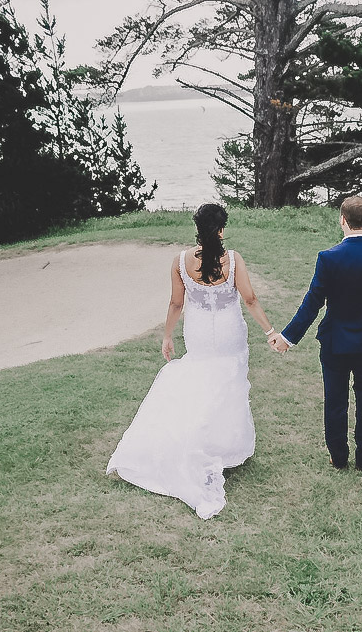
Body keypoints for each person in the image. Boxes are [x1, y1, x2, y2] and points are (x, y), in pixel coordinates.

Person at [106, 203, 277, 519]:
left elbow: (175, 302)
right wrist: (269, 331)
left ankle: (207, 441)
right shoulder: (233, 260)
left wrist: (168, 336)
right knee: (228, 383)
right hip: (228, 331)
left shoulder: (180, 262)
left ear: (198, 230)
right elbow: (250, 299)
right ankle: (218, 446)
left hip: (198, 332)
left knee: (200, 381)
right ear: (221, 230)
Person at [270, 195, 362, 471]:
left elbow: (313, 302)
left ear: (342, 220)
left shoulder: (329, 258)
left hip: (335, 343)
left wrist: (288, 337)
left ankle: (338, 457)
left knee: (335, 401)